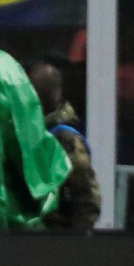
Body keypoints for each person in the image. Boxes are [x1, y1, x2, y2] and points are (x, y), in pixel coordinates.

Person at [25, 60, 101, 229]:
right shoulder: (29, 132)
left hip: (59, 236)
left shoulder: (65, 138)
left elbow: (87, 197)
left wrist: (75, 242)